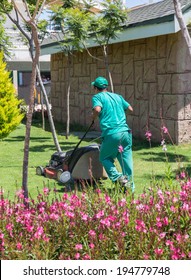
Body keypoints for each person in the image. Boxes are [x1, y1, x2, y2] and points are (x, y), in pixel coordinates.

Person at [91, 76, 135, 192]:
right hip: (125, 132)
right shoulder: (117, 97)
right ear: (106, 87)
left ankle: (118, 177)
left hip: (112, 133)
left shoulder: (97, 97)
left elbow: (97, 109)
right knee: (126, 160)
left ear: (96, 88)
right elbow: (130, 109)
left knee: (105, 157)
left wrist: (93, 117)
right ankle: (130, 187)